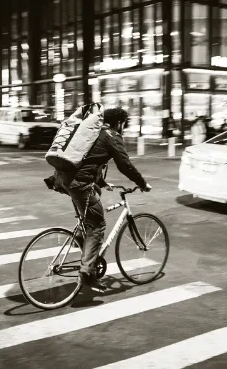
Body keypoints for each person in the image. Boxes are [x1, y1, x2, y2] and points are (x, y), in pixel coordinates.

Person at [44, 107, 152, 293]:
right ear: (119, 123)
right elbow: (125, 165)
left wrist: (101, 182)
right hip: (78, 183)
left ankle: (80, 238)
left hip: (62, 179)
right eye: (123, 124)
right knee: (98, 225)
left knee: (93, 202)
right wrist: (142, 183)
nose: (123, 128)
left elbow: (88, 159)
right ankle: (87, 272)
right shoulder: (112, 136)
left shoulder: (94, 133)